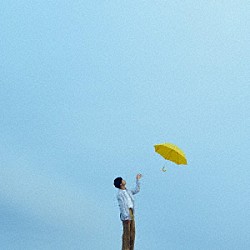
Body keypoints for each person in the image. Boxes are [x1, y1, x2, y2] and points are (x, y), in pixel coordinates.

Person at [114, 174, 142, 250]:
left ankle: (131, 248)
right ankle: (125, 248)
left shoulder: (127, 190)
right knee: (127, 233)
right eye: (122, 180)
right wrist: (126, 217)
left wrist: (137, 180)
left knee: (132, 233)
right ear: (120, 184)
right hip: (126, 214)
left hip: (131, 212)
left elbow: (137, 190)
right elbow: (122, 206)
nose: (124, 180)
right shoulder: (120, 194)